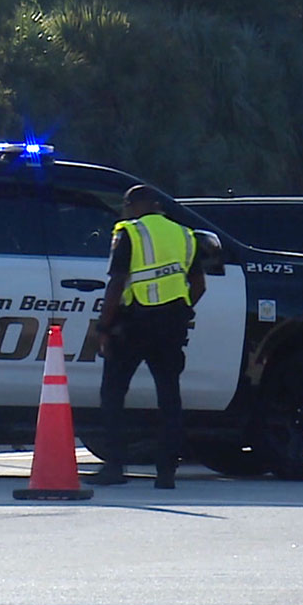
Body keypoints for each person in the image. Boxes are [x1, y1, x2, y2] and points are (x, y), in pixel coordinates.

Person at [84, 184, 206, 489]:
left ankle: (114, 467)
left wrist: (103, 326)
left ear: (135, 205)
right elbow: (199, 284)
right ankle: (166, 474)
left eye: (127, 206)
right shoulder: (184, 234)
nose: (125, 212)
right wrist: (183, 307)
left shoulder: (129, 232)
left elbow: (116, 283)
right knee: (169, 396)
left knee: (113, 393)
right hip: (172, 324)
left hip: (133, 323)